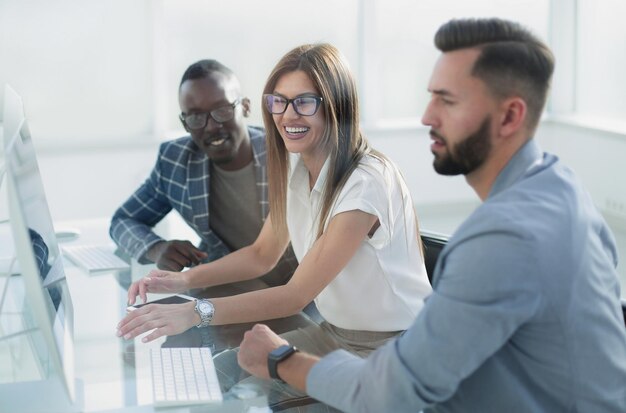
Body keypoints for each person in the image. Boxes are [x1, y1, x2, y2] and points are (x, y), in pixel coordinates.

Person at [236, 18, 626, 412]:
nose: (427, 116)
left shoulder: (502, 239)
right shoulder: (561, 184)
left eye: (448, 100)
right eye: (431, 97)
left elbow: (393, 391)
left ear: (509, 117)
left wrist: (281, 359)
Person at [116, 43, 431, 366]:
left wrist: (193, 313)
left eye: (304, 102)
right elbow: (262, 254)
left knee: (242, 381)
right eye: (279, 102)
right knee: (221, 369)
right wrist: (184, 280)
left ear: (337, 105)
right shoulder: (295, 164)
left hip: (393, 349)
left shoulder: (365, 182)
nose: (287, 115)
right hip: (333, 334)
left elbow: (295, 296)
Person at [109, 59, 297, 290]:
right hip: (224, 289)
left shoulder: (287, 155)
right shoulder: (175, 160)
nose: (211, 126)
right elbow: (123, 221)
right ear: (185, 124)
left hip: (299, 289)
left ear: (246, 107)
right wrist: (157, 248)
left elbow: (264, 255)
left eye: (222, 110)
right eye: (196, 117)